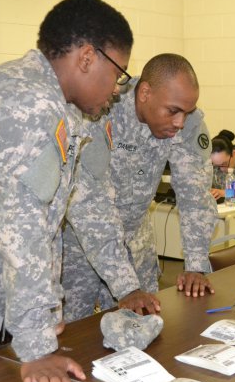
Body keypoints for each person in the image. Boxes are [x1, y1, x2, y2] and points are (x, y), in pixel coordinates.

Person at [0, 0, 152, 382]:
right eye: (118, 74)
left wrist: (122, 287)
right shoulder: (27, 103)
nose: (118, 91)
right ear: (87, 58)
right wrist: (36, 344)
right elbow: (22, 226)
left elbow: (85, 203)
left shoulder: (57, 109)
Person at [62, 53, 217, 322]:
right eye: (173, 111)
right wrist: (125, 285)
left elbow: (196, 196)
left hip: (137, 246)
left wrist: (196, 265)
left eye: (187, 112)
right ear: (145, 93)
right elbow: (90, 207)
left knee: (146, 332)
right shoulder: (100, 109)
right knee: (79, 337)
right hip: (81, 249)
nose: (180, 122)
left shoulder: (186, 123)